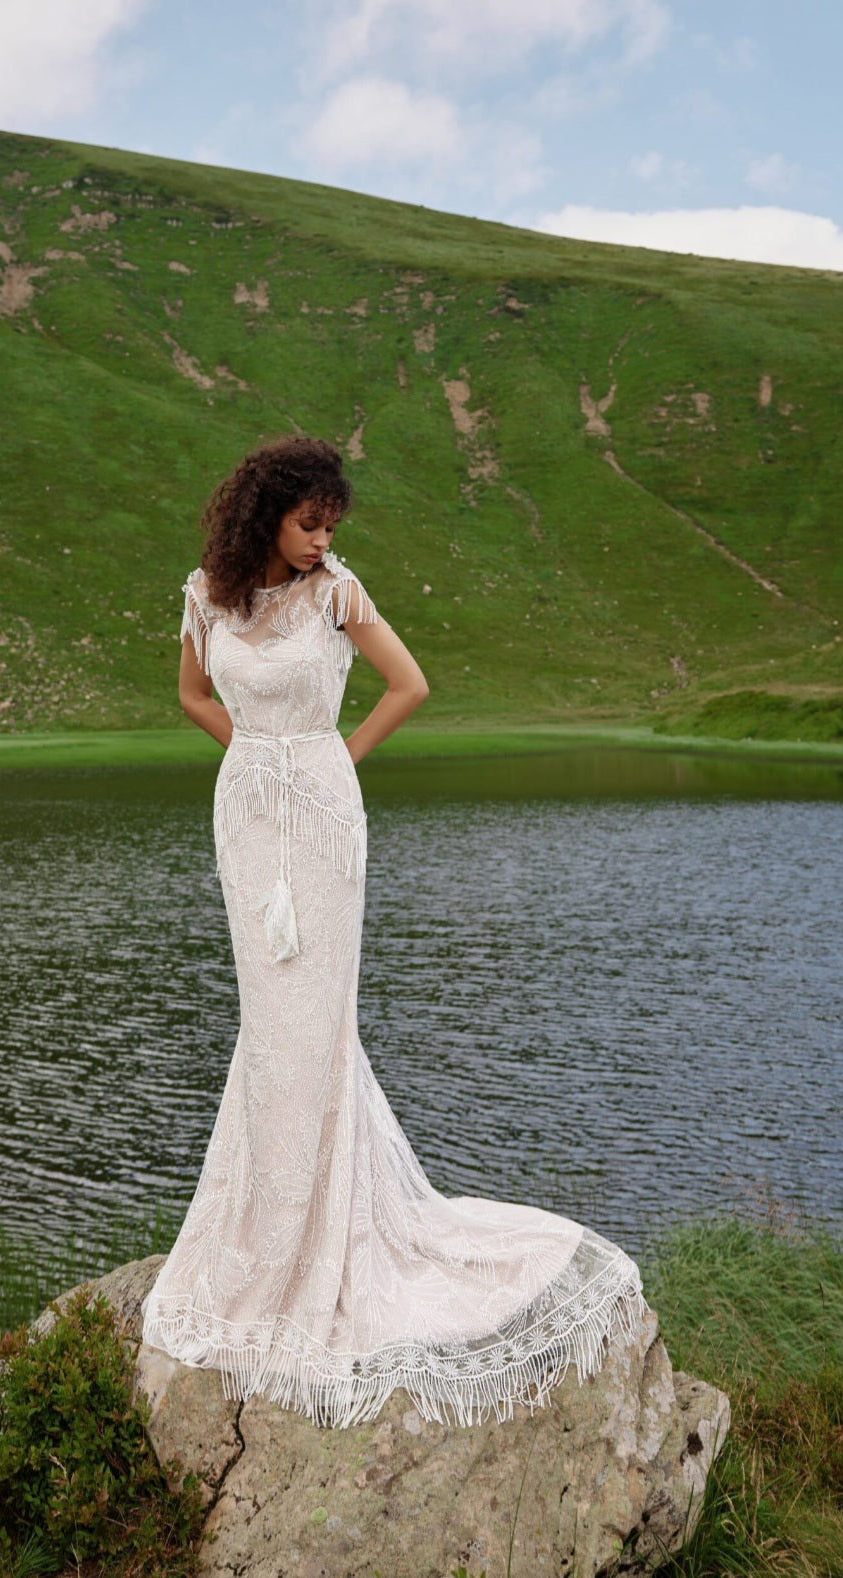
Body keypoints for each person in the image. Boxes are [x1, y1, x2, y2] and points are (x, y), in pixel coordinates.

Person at [140, 435, 644, 1429]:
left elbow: (409, 685)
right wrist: (260, 758)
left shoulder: (338, 592)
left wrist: (333, 763)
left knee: (315, 1020)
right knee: (267, 1017)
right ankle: (262, 1227)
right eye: (307, 522)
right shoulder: (206, 593)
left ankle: (323, 1233)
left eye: (333, 524)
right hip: (247, 814)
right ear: (265, 512)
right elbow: (192, 697)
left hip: (323, 814)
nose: (322, 540)